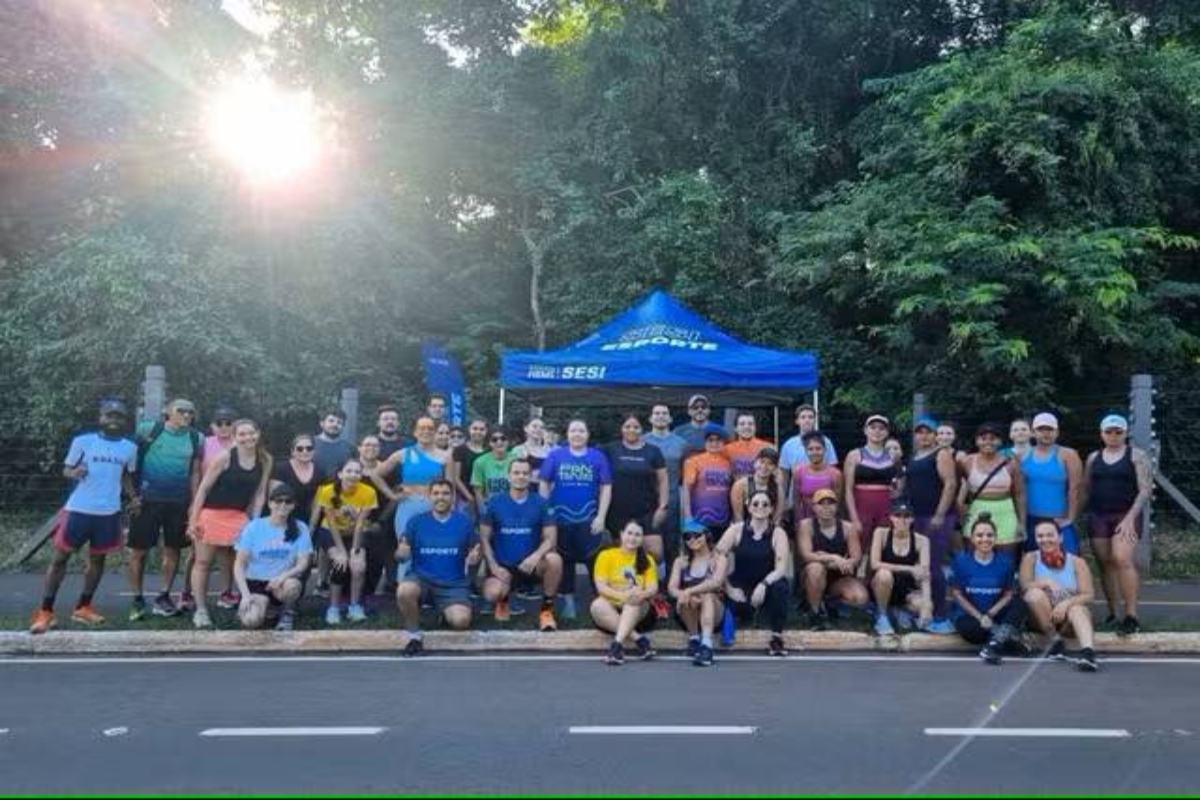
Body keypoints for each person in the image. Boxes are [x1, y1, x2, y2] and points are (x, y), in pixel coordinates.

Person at [29, 399, 137, 634]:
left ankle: (83, 608)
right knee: (60, 560)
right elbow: (67, 469)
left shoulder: (130, 448)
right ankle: (45, 611)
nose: (114, 420)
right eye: (110, 416)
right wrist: (75, 472)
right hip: (79, 510)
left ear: (124, 421)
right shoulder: (83, 442)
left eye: (119, 417)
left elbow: (126, 476)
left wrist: (133, 497)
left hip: (108, 513)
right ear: (101, 418)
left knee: (97, 561)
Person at [187, 419, 272, 628]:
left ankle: (237, 601)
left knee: (240, 563)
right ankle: (201, 610)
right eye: (241, 434)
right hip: (211, 514)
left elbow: (260, 493)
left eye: (251, 433)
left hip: (238, 516)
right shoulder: (224, 457)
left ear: (258, 434)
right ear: (234, 437)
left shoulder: (265, 460)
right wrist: (193, 520)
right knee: (203, 563)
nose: (247, 438)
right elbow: (204, 489)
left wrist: (256, 523)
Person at [127, 397, 203, 620]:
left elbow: (195, 472)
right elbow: (130, 460)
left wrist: (194, 502)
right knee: (138, 551)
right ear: (168, 411)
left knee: (173, 549)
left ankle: (163, 596)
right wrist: (132, 495)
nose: (187, 416)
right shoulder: (149, 428)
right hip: (147, 500)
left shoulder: (196, 437)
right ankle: (137, 600)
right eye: (182, 411)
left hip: (178, 502)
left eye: (191, 412)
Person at [1082, 414, 1154, 636]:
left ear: (1125, 433)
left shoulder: (1137, 455)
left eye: (1118, 432)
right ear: (1101, 433)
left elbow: (1145, 489)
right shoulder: (1094, 457)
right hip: (1099, 515)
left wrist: (1130, 517)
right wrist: (1073, 514)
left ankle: (1131, 616)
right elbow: (1086, 488)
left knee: (1122, 559)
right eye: (1109, 431)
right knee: (1105, 564)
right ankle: (1113, 613)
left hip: (1126, 515)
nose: (1113, 435)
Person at [395, 479, 480, 656]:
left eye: (445, 494)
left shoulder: (464, 522)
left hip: (453, 583)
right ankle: (414, 636)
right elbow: (400, 555)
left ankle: (443, 613)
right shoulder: (416, 522)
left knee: (461, 621)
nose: (440, 498)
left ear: (452, 497)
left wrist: (475, 557)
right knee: (404, 591)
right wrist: (402, 552)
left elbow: (476, 551)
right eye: (436, 493)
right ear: (429, 496)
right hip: (421, 579)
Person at [539, 420, 613, 619]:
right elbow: (544, 483)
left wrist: (601, 516)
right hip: (561, 519)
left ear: (588, 434)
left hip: (589, 519)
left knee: (593, 559)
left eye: (581, 430)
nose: (577, 434)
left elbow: (606, 487)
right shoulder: (556, 456)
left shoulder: (597, 457)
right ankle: (569, 601)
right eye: (573, 430)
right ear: (568, 434)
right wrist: (547, 514)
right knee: (565, 560)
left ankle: (601, 600)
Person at [479, 458, 562, 630]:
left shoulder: (541, 502)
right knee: (492, 594)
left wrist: (536, 556)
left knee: (554, 559)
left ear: (531, 477)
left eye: (525, 473)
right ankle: (504, 599)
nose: (520, 476)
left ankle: (546, 610)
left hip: (530, 565)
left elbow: (551, 538)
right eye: (516, 473)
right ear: (508, 476)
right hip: (504, 566)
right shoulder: (494, 502)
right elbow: (484, 539)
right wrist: (494, 567)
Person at [602, 414, 669, 614]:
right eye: (627, 426)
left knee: (655, 552)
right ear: (622, 429)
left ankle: (655, 593)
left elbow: (663, 480)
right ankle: (625, 595)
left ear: (642, 429)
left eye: (636, 427)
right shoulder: (610, 449)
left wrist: (663, 506)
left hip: (646, 511)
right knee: (624, 556)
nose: (632, 430)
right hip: (618, 513)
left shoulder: (653, 451)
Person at [716, 489, 791, 656]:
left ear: (771, 509)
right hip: (740, 586)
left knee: (781, 586)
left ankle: (777, 638)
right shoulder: (736, 530)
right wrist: (728, 588)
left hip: (767, 585)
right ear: (748, 507)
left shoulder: (778, 533)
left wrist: (764, 585)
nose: (760, 507)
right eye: (755, 503)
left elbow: (781, 568)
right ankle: (744, 616)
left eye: (765, 504)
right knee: (732, 607)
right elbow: (716, 557)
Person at [1019, 519, 1098, 671]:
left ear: (1060, 537)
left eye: (1050, 535)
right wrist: (1046, 582)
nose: (1045, 540)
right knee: (1033, 594)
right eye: (1040, 536)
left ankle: (1088, 653)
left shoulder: (1077, 562)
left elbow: (1088, 595)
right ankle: (1054, 641)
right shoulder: (1030, 558)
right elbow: (1024, 587)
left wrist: (1065, 604)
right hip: (1042, 618)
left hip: (1067, 619)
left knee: (1078, 609)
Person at [233, 484, 312, 631]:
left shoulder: (301, 528)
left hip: (281, 583)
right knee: (251, 621)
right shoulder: (254, 527)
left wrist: (282, 577)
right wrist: (245, 595)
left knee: (293, 587)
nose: (283, 505)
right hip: (256, 582)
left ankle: (287, 612)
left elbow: (303, 563)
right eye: (278, 500)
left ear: (293, 506)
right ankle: (266, 607)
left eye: (288, 501)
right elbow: (239, 564)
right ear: (270, 503)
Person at [311, 457, 379, 624]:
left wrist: (354, 551)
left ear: (361, 474)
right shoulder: (327, 491)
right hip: (331, 532)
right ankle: (333, 608)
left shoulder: (368, 492)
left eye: (357, 471)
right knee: (340, 563)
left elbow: (360, 525)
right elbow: (331, 524)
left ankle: (354, 606)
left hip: (355, 532)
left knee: (358, 567)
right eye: (349, 471)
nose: (353, 475)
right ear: (340, 474)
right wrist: (342, 551)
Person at [950, 514, 1026, 664]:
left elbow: (1008, 594)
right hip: (971, 615)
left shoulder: (1006, 561)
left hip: (995, 612)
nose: (985, 539)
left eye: (989, 535)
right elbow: (957, 594)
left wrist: (990, 614)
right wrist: (980, 617)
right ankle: (1005, 639)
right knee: (968, 630)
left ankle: (992, 646)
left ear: (995, 538)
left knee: (1020, 604)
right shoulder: (961, 559)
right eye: (979, 535)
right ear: (972, 538)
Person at [906, 415, 959, 629]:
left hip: (937, 518)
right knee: (921, 565)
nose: (923, 435)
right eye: (920, 431)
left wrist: (939, 514)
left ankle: (941, 616)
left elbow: (950, 484)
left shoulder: (942, 453)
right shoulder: (915, 456)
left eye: (928, 431)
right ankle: (925, 608)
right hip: (916, 517)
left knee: (934, 565)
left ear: (935, 435)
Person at [797, 488, 869, 630]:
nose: (826, 507)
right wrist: (834, 558)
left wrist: (846, 562)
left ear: (837, 506)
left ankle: (830, 604)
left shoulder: (848, 528)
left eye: (831, 503)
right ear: (814, 507)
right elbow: (806, 555)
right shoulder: (806, 525)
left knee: (859, 598)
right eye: (821, 503)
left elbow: (856, 558)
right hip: (812, 576)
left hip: (838, 577)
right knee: (816, 568)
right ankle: (815, 613)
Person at [592, 520, 659, 665]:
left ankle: (616, 647)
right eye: (629, 533)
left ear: (642, 539)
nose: (633, 538)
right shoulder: (606, 555)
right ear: (622, 535)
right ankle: (640, 640)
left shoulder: (647, 560)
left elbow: (653, 588)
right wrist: (623, 596)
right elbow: (601, 587)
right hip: (611, 610)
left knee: (633, 600)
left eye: (637, 535)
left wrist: (641, 595)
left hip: (639, 610)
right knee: (597, 605)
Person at [379, 417, 451, 548]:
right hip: (408, 506)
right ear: (415, 432)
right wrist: (391, 495)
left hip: (434, 506)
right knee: (406, 550)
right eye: (422, 428)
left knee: (432, 549)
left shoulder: (445, 456)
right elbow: (376, 474)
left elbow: (452, 488)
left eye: (430, 428)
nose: (426, 431)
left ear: (435, 432)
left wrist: (449, 512)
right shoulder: (403, 454)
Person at [958, 422, 1026, 558]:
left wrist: (1022, 523)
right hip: (976, 511)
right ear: (977, 441)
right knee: (974, 555)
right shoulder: (967, 462)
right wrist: (960, 512)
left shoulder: (1011, 463)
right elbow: (958, 487)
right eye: (983, 438)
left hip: (1005, 513)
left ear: (1000, 441)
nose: (988, 442)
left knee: (1006, 558)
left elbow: (1019, 495)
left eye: (993, 438)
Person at [1021, 412, 1083, 554]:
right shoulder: (1023, 456)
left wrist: (1071, 518)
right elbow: (1018, 491)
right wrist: (1021, 521)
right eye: (1041, 429)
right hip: (1031, 519)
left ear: (1057, 432)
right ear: (1033, 433)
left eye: (1050, 429)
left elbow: (1075, 489)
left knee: (1068, 561)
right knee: (1034, 564)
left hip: (1059, 520)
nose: (1045, 433)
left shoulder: (1068, 454)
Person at [869, 498, 933, 635]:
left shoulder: (922, 540)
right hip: (882, 586)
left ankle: (901, 611)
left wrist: (927, 605)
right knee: (884, 574)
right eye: (898, 516)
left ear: (912, 519)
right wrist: (909, 568)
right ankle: (882, 616)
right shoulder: (881, 533)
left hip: (906, 589)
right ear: (891, 517)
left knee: (924, 604)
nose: (902, 520)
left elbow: (924, 574)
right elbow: (874, 564)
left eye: (907, 516)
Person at [668, 522, 728, 666]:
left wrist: (690, 591)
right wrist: (684, 594)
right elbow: (671, 588)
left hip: (714, 612)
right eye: (688, 537)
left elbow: (715, 583)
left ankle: (706, 645)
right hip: (689, 613)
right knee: (685, 598)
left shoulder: (719, 559)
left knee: (706, 595)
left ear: (706, 535)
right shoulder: (681, 562)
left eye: (697, 535)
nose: (693, 539)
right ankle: (694, 639)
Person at [844, 414, 900, 554]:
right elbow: (848, 490)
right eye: (873, 427)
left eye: (881, 428)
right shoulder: (854, 455)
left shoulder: (893, 457)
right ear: (865, 430)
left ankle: (875, 576)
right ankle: (851, 576)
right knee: (857, 548)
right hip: (862, 507)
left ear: (887, 433)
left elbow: (898, 484)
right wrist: (854, 518)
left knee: (881, 550)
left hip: (885, 508)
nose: (877, 431)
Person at [644, 404, 688, 563]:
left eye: (664, 413)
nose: (660, 416)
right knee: (647, 540)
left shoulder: (681, 443)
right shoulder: (642, 440)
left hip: (672, 499)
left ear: (670, 418)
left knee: (672, 541)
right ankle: (648, 582)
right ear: (650, 418)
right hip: (647, 499)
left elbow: (685, 472)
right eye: (657, 413)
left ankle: (671, 582)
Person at [681, 430, 733, 537]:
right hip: (699, 518)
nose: (714, 443)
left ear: (723, 443)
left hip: (723, 518)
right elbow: (686, 489)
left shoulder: (729, 463)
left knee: (720, 552)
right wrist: (687, 516)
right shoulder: (693, 461)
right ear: (705, 442)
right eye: (710, 440)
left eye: (718, 440)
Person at [790, 432, 843, 522]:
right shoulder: (799, 472)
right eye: (810, 449)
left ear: (825, 450)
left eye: (818, 449)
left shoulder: (835, 474)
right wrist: (798, 523)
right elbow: (796, 501)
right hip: (805, 519)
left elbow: (838, 504)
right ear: (806, 451)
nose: (814, 452)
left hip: (828, 521)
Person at [270, 434, 320, 526]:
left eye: (309, 448)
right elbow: (274, 500)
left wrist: (310, 531)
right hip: (281, 518)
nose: (305, 451)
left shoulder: (319, 471)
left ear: (314, 451)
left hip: (306, 521)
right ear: (292, 452)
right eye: (300, 449)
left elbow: (317, 506)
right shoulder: (281, 469)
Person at [729, 446, 786, 525]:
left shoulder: (778, 489)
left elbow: (777, 518)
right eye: (762, 462)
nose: (764, 467)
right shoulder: (740, 486)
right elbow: (738, 517)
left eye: (770, 464)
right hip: (744, 528)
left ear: (775, 468)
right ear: (755, 463)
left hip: (768, 530)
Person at [779, 403, 837, 477]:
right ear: (797, 421)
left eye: (810, 417)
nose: (807, 420)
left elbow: (833, 469)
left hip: (822, 487)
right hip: (797, 488)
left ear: (815, 420)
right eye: (803, 417)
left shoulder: (826, 442)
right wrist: (782, 489)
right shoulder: (788, 445)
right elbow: (784, 473)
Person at [471, 426, 517, 508]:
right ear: (489, 443)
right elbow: (478, 492)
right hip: (491, 508)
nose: (499, 442)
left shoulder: (517, 460)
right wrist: (483, 512)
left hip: (513, 506)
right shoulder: (480, 462)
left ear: (508, 441)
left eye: (503, 438)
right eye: (494, 439)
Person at [451, 418, 489, 509]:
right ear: (469, 429)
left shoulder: (489, 451)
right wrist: (470, 497)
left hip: (487, 498)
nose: (478, 432)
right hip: (464, 499)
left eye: (481, 429)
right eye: (475, 428)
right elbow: (456, 477)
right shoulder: (460, 450)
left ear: (486, 431)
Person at [723, 411, 774, 480]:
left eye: (750, 424)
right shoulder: (726, 450)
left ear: (755, 427)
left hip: (762, 489)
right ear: (736, 428)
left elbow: (776, 474)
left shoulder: (768, 447)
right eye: (742, 424)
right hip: (736, 489)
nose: (746, 427)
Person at [313, 408, 355, 482]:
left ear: (343, 426)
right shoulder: (309, 444)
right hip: (313, 490)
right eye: (331, 421)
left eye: (339, 422)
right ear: (322, 423)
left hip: (340, 490)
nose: (335, 424)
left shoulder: (350, 448)